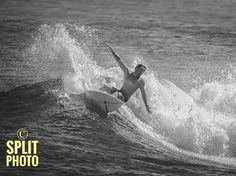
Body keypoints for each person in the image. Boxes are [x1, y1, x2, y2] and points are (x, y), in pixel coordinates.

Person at [99, 45, 152, 114]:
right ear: (136, 68)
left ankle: (107, 104)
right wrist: (111, 50)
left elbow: (143, 94)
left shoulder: (140, 82)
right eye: (140, 70)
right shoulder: (127, 73)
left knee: (116, 94)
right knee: (105, 87)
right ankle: (95, 97)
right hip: (119, 91)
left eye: (143, 71)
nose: (141, 72)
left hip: (124, 97)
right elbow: (119, 60)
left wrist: (146, 106)